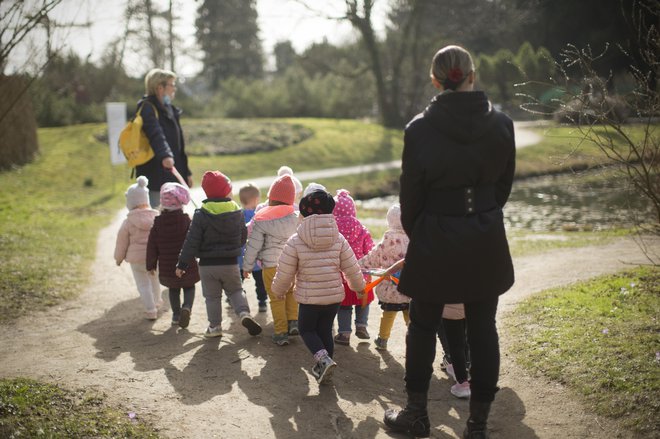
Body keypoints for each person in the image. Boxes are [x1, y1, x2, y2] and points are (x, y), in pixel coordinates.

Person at [383, 45, 516, 439]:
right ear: (473, 75)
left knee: (423, 325)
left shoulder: (419, 129)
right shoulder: (503, 124)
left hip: (435, 234)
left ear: (435, 80)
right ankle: (477, 427)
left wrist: (427, 231)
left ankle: (417, 414)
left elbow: (411, 199)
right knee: (483, 327)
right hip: (484, 235)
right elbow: (503, 187)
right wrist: (480, 215)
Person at [271, 190, 366, 384]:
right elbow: (351, 266)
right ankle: (326, 369)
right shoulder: (338, 238)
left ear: (304, 213)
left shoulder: (296, 241)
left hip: (309, 299)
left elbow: (285, 271)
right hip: (333, 298)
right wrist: (358, 287)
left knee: (306, 330)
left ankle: (323, 360)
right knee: (324, 330)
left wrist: (278, 291)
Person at [176, 171, 262, 339]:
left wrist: (182, 264)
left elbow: (191, 241)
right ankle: (244, 313)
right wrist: (237, 248)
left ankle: (215, 327)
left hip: (207, 266)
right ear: (226, 192)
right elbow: (243, 235)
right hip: (230, 263)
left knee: (212, 297)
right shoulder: (236, 211)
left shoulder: (201, 214)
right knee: (236, 290)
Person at [243, 175, 299, 346]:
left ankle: (281, 332)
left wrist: (247, 266)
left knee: (276, 298)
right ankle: (293, 322)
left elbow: (253, 245)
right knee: (291, 293)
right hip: (292, 265)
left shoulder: (261, 218)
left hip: (270, 266)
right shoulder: (297, 218)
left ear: (271, 199)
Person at [136, 68, 193, 208]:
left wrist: (187, 172)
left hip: (173, 173)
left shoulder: (170, 110)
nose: (174, 88)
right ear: (159, 88)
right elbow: (156, 135)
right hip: (155, 175)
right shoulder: (147, 108)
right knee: (157, 216)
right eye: (172, 84)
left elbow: (179, 145)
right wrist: (165, 156)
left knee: (176, 218)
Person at [357, 203, 410, 351]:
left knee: (388, 314)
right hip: (409, 286)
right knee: (409, 314)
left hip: (389, 287)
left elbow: (374, 256)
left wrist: (358, 265)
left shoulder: (387, 239)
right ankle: (414, 339)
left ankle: (383, 339)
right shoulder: (413, 238)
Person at [146, 182, 199, 328]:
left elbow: (152, 245)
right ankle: (187, 307)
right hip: (186, 262)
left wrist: (150, 265)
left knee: (173, 289)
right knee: (189, 286)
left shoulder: (157, 223)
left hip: (167, 265)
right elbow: (194, 240)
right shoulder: (186, 220)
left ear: (162, 204)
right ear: (180, 203)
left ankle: (176, 315)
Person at [114, 176, 162, 320]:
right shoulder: (157, 217)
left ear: (130, 203)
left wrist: (118, 258)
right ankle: (157, 300)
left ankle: (150, 309)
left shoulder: (128, 222)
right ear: (146, 200)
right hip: (154, 258)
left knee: (143, 285)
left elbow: (121, 242)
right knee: (155, 280)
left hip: (136, 261)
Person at [333, 189, 374, 346]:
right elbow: (369, 250)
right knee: (363, 301)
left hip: (342, 275)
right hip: (361, 274)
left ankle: (344, 333)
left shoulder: (333, 229)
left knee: (344, 307)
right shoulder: (362, 228)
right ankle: (361, 325)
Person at [238, 183, 268, 313]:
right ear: (256, 199)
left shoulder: (238, 215)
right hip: (257, 258)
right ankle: (262, 302)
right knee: (260, 283)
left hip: (241, 257)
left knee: (238, 282)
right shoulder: (260, 214)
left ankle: (237, 298)